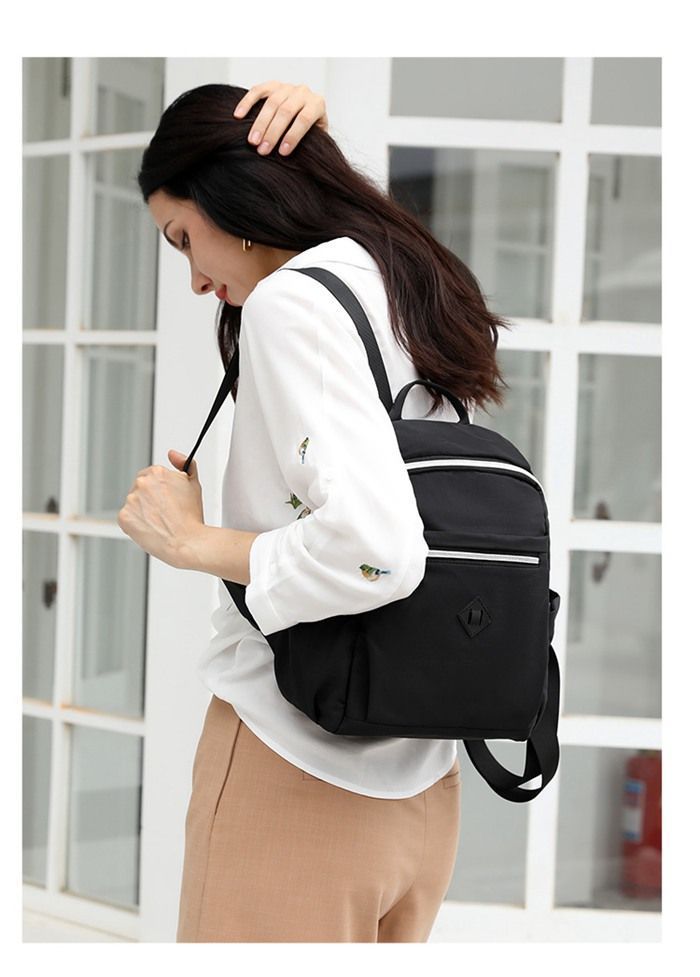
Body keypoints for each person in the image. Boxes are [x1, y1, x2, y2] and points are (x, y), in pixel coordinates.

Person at [122, 79, 509, 942]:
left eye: (184, 238)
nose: (195, 279)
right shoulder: (406, 275)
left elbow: (377, 550)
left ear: (235, 196)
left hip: (294, 772)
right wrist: (310, 145)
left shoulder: (292, 301)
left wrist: (192, 540)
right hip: (424, 787)